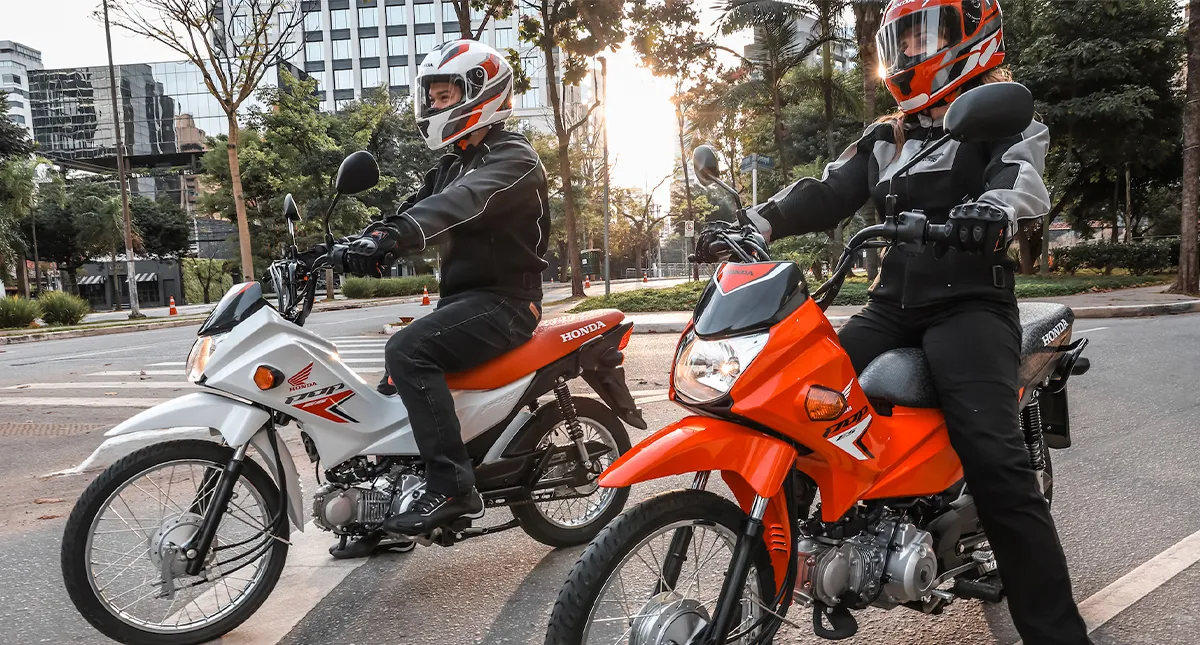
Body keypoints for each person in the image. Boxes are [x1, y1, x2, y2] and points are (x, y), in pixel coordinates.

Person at [696, 1, 1091, 643]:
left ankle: (1058, 633)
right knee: (789, 402)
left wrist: (994, 210)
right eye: (900, 39)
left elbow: (1019, 181)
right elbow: (828, 190)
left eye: (922, 35)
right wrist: (755, 221)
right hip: (890, 306)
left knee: (996, 462)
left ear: (972, 36)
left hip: (970, 306)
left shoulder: (1004, 119)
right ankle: (795, 569)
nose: (909, 51)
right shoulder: (889, 135)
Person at [328, 39, 550, 558]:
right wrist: (356, 243)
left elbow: (459, 203)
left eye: (444, 95)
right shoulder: (452, 164)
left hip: (507, 302)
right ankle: (381, 510)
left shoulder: (514, 158)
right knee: (389, 390)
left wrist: (396, 234)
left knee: (406, 350)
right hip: (463, 304)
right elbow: (415, 208)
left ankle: (452, 485)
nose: (433, 106)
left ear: (480, 93)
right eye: (431, 97)